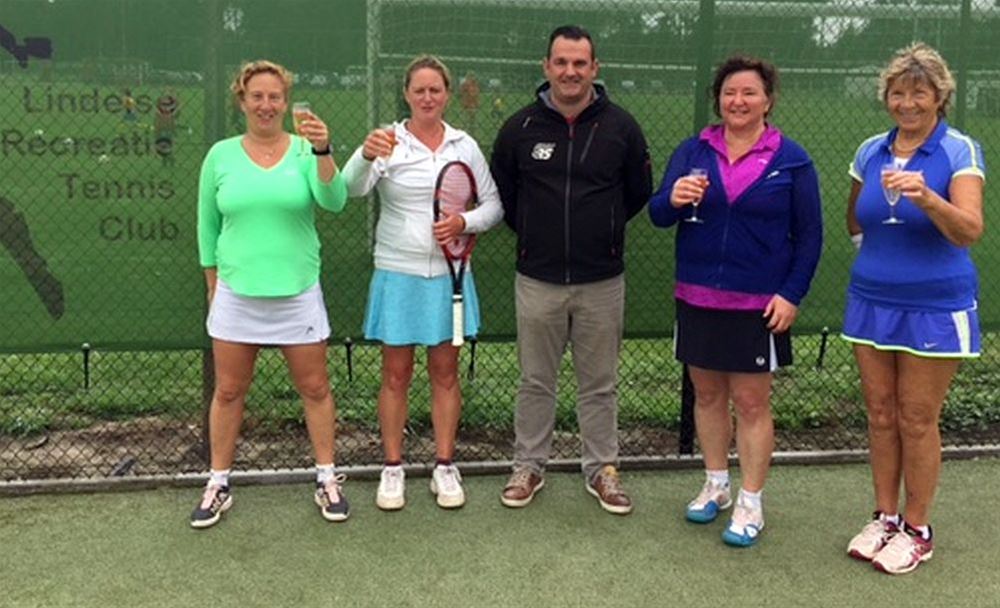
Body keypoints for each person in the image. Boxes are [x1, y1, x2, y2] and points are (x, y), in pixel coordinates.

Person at [649, 55, 823, 546]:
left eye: (749, 92)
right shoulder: (693, 150)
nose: (738, 101)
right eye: (729, 93)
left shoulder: (792, 159)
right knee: (707, 396)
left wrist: (791, 293)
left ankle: (751, 501)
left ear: (768, 100)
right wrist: (673, 198)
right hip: (698, 295)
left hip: (758, 305)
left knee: (750, 402)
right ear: (718, 100)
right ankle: (716, 484)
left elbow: (810, 235)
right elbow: (659, 213)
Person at [491, 25, 652, 515]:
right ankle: (528, 466)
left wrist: (600, 233)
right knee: (535, 380)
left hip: (601, 280)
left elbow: (637, 193)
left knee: (599, 384)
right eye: (561, 62)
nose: (570, 71)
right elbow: (505, 195)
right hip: (537, 278)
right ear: (546, 67)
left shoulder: (621, 127)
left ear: (594, 68)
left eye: (580, 63)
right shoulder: (519, 128)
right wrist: (537, 236)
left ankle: (602, 469)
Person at [842, 43, 985, 575]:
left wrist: (928, 199)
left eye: (919, 93)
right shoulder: (869, 151)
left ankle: (917, 529)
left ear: (939, 97)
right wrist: (879, 261)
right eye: (898, 93)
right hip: (870, 301)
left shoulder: (959, 150)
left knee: (917, 419)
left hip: (934, 306)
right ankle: (884, 517)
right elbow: (856, 219)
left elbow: (969, 230)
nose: (907, 103)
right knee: (881, 415)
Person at [193, 60, 349, 528]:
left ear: (286, 102)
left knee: (315, 388)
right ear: (241, 101)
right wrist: (213, 283)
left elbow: (335, 200)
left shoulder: (305, 149)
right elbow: (207, 225)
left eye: (274, 97)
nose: (266, 105)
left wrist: (323, 150)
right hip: (236, 293)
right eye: (256, 96)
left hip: (297, 291)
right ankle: (218, 482)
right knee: (228, 391)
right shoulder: (220, 156)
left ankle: (327, 478)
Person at [342, 55, 502, 511]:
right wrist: (365, 154)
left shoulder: (464, 145)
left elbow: (493, 205)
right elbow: (351, 188)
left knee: (445, 375)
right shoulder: (387, 140)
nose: (427, 97)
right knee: (395, 376)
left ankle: (444, 466)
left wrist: (463, 222)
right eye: (419, 90)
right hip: (397, 273)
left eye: (435, 90)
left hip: (450, 277)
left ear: (447, 94)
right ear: (406, 94)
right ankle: (392, 468)